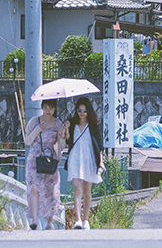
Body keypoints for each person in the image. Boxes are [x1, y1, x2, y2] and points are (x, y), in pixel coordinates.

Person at [62, 96, 104, 230]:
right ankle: (78, 220)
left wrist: (101, 162)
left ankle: (86, 220)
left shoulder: (94, 124)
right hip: (75, 157)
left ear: (89, 112)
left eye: (84, 111)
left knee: (87, 191)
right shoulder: (72, 122)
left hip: (89, 158)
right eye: (79, 110)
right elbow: (68, 141)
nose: (82, 113)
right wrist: (66, 129)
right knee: (77, 189)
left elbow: (99, 144)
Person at [24, 98, 65, 230]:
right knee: (34, 188)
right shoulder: (34, 121)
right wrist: (38, 129)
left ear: (54, 109)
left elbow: (61, 145)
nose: (48, 110)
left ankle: (50, 220)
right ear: (42, 107)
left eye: (51, 107)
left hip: (50, 159)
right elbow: (27, 141)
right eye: (46, 107)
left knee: (51, 190)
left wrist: (63, 135)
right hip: (34, 160)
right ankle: (35, 220)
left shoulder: (58, 123)